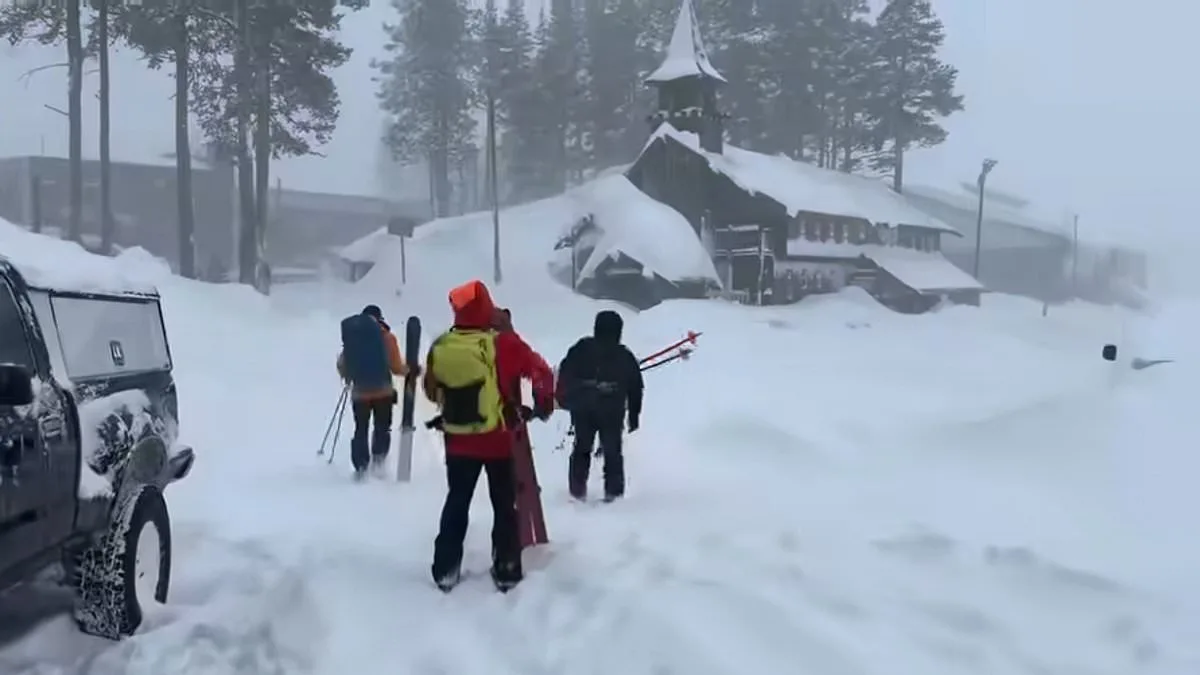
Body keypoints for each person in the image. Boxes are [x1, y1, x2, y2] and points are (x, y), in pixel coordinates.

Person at [422, 281, 554, 591]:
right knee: (504, 505)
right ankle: (506, 569)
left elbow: (431, 389)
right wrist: (542, 404)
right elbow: (542, 373)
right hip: (498, 440)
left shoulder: (442, 344)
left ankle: (445, 569)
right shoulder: (504, 344)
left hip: (457, 440)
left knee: (457, 501)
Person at [555, 310, 643, 502]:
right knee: (611, 453)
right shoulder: (624, 355)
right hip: (606, 412)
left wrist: (571, 396)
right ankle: (613, 496)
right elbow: (636, 387)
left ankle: (577, 492)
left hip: (586, 410)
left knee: (584, 450)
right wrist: (633, 416)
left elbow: (565, 375)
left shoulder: (582, 349)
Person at [336, 304, 411, 480]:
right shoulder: (387, 338)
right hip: (383, 392)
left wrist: (349, 376)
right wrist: (410, 370)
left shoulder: (353, 338)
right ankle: (378, 464)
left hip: (360, 393)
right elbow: (396, 367)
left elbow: (342, 365)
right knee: (382, 428)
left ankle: (361, 467)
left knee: (360, 429)